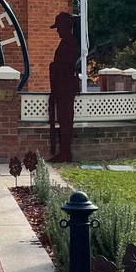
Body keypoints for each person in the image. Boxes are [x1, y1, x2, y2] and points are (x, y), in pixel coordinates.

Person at [48, 12, 79, 162]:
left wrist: (54, 67)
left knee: (65, 120)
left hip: (65, 87)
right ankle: (64, 152)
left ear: (65, 27)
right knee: (63, 119)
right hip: (62, 87)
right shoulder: (67, 42)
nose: (58, 31)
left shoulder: (70, 42)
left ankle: (66, 153)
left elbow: (65, 66)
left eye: (59, 27)